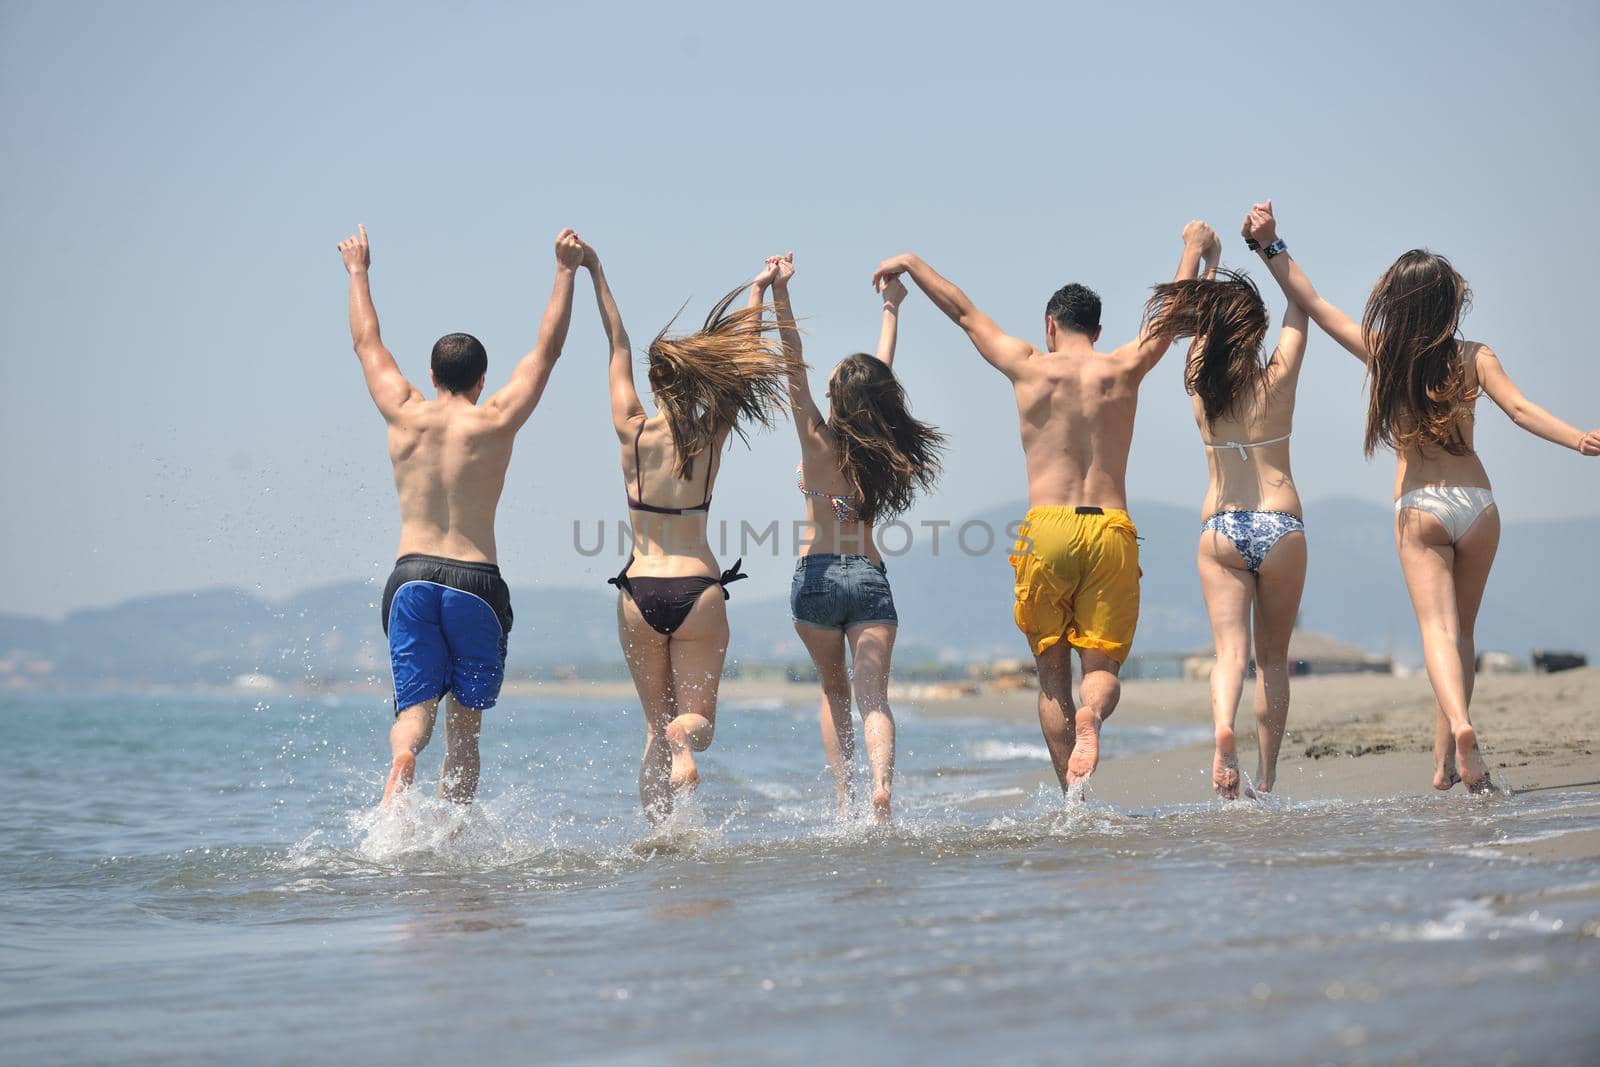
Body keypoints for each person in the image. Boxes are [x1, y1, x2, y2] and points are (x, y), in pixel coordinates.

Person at [1244, 200, 1600, 792]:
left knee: (1436, 632)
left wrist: (1270, 243)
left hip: (1422, 508)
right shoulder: (1473, 355)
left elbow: (1313, 302)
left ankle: (1461, 731)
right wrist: (1581, 440)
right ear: (1448, 302)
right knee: (1462, 636)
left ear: (1399, 302)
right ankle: (1444, 766)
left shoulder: (1385, 353)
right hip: (1478, 505)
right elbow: (1520, 409)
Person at [871, 222, 1215, 793]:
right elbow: (1174, 317)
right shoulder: (1123, 366)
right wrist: (1193, 251)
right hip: (1109, 527)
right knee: (1099, 671)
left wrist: (910, 261)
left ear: (1050, 325)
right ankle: (1094, 717)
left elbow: (963, 313)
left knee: (1052, 677)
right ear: (1098, 330)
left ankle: (1071, 802)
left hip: (1046, 529)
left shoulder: (1029, 364)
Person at [336, 224, 582, 808]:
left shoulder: (403, 413)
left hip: (412, 576)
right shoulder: (495, 419)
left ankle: (399, 770)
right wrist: (565, 271)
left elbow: (367, 344)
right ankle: (455, 839)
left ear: (429, 376)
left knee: (414, 714)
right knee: (465, 730)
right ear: (480, 379)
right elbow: (547, 351)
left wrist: (358, 273)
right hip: (475, 580)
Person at [583, 239, 798, 822]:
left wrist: (596, 270)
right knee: (694, 725)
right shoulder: (710, 434)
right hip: (698, 590)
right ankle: (684, 745)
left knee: (653, 724)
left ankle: (658, 835)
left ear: (654, 385)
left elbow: (617, 343)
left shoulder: (631, 430)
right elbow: (745, 369)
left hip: (638, 590)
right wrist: (759, 291)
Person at [757, 252, 946, 824]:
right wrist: (890, 310)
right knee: (873, 700)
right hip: (868, 578)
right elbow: (879, 378)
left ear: (837, 398)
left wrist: (778, 294)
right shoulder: (879, 444)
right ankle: (882, 789)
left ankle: (844, 802)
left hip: (814, 579)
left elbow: (792, 366)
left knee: (833, 692)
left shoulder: (816, 438)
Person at [1141, 249, 1310, 799]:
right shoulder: (1277, 380)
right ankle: (1266, 776)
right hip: (1280, 524)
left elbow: (1186, 326)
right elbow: (1300, 306)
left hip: (1221, 526)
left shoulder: (1198, 388)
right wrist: (1271, 245)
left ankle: (1221, 730)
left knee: (1229, 656)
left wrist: (1206, 261)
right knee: (1274, 660)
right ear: (1253, 333)